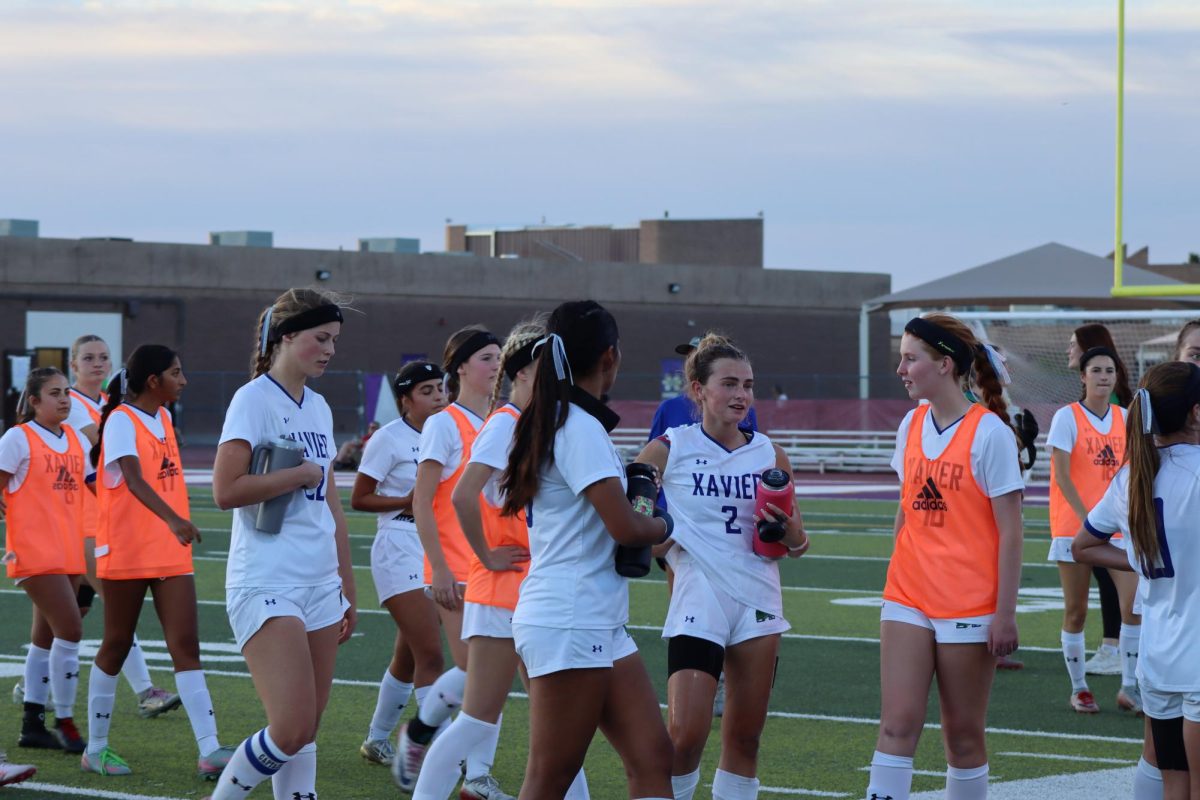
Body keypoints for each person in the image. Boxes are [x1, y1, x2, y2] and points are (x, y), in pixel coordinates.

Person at [500, 300, 674, 799]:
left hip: (592, 617)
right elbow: (624, 527)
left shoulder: (562, 418)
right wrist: (663, 520)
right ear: (610, 357)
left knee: (652, 757)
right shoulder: (578, 426)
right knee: (550, 777)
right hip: (570, 618)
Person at [635, 333, 809, 800]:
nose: (741, 395)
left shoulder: (769, 453)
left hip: (757, 595)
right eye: (729, 384)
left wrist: (784, 527)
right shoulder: (669, 447)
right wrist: (656, 535)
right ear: (698, 390)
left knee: (745, 740)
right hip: (698, 592)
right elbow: (633, 515)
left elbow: (799, 543)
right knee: (685, 736)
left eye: (748, 385)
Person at [205, 289, 357, 800]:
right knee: (289, 728)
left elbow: (330, 507)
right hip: (267, 579)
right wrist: (296, 474)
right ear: (287, 336)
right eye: (321, 338)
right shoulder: (252, 399)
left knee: (306, 732)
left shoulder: (318, 406)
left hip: (320, 583)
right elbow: (226, 490)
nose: (330, 349)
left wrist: (347, 588)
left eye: (335, 340)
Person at [865, 313, 1023, 800]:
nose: (902, 369)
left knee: (962, 735)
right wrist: (897, 572)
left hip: (969, 605)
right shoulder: (911, 423)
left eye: (911, 359)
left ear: (945, 364)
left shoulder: (989, 433)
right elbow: (906, 510)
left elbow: (1012, 531)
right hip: (908, 595)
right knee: (896, 726)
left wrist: (1004, 615)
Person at [413, 317, 550, 800]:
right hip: (490, 578)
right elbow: (443, 499)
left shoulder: (525, 422)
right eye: (486, 359)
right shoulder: (485, 422)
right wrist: (469, 560)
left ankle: (464, 770)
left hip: (528, 584)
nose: (493, 367)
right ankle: (429, 745)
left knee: (553, 720)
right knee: (479, 709)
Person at [83, 345, 235, 778]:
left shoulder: (164, 417)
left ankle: (209, 748)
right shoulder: (119, 421)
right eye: (176, 372)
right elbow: (131, 479)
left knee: (186, 646)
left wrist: (173, 525)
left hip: (168, 550)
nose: (183, 380)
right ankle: (95, 750)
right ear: (153, 381)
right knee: (115, 644)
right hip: (128, 549)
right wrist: (174, 519)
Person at [13, 335, 178, 718]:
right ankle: (146, 690)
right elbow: (102, 445)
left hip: (95, 521)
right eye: (88, 358)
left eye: (104, 357)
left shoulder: (104, 403)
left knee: (65, 619)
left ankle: (29, 687)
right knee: (119, 606)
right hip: (83, 525)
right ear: (73, 365)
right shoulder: (75, 407)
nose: (98, 364)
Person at [1073, 361, 1200, 800]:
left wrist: (1144, 558)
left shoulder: (1131, 476)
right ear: (1196, 413)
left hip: (1158, 657)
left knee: (1174, 784)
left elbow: (1083, 546)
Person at [395, 325, 503, 790]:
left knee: (489, 680)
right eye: (486, 357)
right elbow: (421, 501)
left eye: (500, 356)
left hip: (495, 566)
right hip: (456, 568)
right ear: (460, 367)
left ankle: (476, 775)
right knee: (477, 674)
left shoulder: (502, 419)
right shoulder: (444, 422)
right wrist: (436, 566)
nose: (496, 364)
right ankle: (422, 736)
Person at [353, 361, 447, 766]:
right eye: (426, 391)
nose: (438, 397)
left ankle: (376, 739)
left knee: (409, 654)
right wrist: (407, 502)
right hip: (400, 546)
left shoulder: (451, 433)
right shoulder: (388, 439)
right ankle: (436, 751)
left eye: (441, 388)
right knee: (431, 654)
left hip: (438, 549)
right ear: (405, 400)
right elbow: (359, 498)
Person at [1048, 346, 1141, 713]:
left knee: (1133, 607)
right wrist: (1091, 519)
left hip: (1120, 530)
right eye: (1097, 370)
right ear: (1082, 376)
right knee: (1076, 611)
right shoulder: (1066, 417)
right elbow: (1062, 474)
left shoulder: (1124, 417)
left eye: (1110, 371)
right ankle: (1080, 688)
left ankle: (1130, 686)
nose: (1104, 376)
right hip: (1074, 528)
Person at [1, 367, 89, 754]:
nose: (65, 399)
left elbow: (89, 488)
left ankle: (31, 725)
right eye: (54, 393)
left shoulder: (73, 438)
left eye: (67, 392)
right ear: (34, 401)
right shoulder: (17, 438)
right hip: (35, 552)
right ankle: (65, 721)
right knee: (71, 630)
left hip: (67, 551)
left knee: (46, 638)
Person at [1066, 324, 1132, 678]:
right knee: (1085, 599)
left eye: (1073, 345)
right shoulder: (1071, 415)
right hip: (1093, 513)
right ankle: (1111, 651)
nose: (1068, 350)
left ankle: (1115, 647)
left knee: (1119, 585)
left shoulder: (1118, 408)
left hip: (1107, 515)